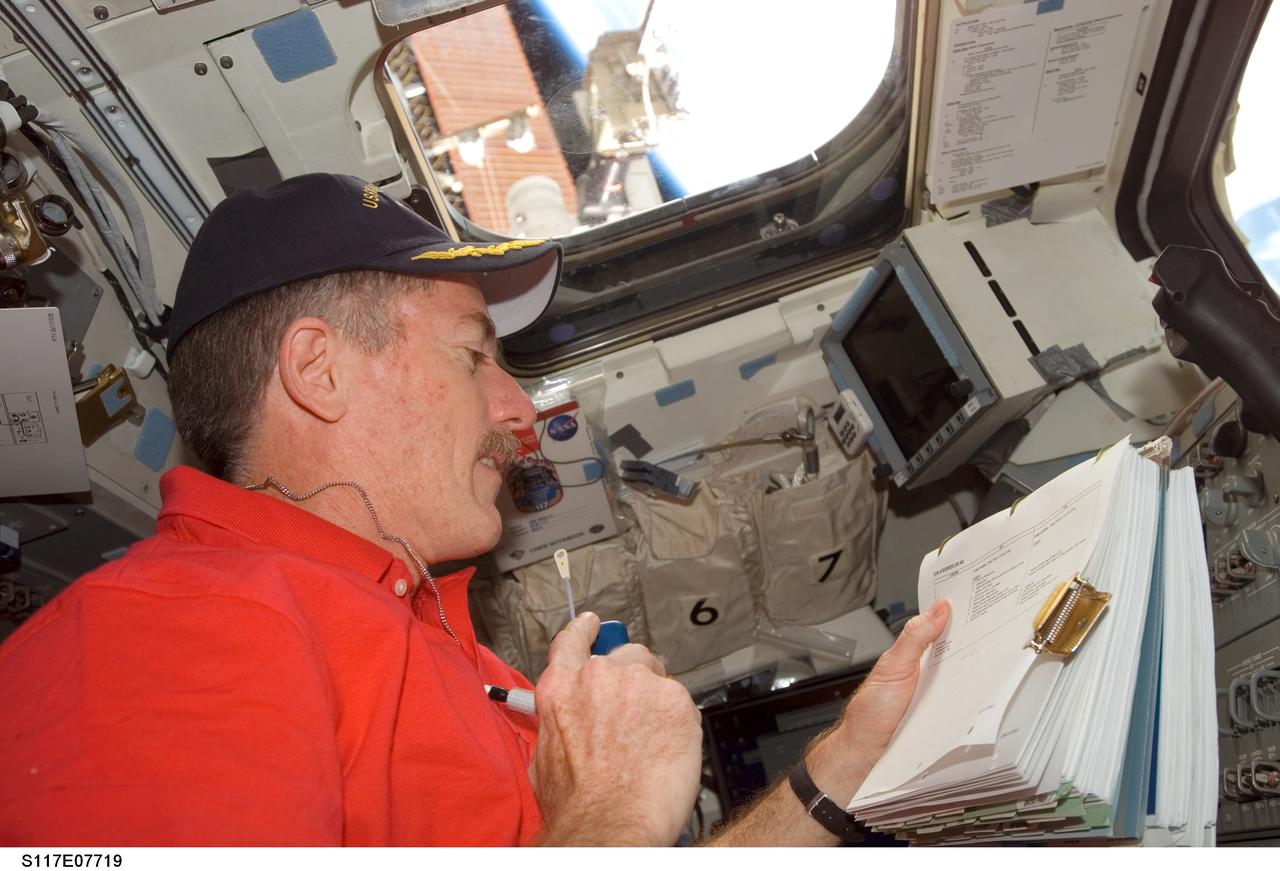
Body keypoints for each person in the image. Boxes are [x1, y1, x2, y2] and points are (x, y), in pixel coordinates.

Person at [0, 173, 950, 847]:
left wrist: (839, 773)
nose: (518, 409)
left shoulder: (424, 625)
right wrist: (612, 812)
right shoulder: (151, 644)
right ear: (317, 370)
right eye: (472, 355)